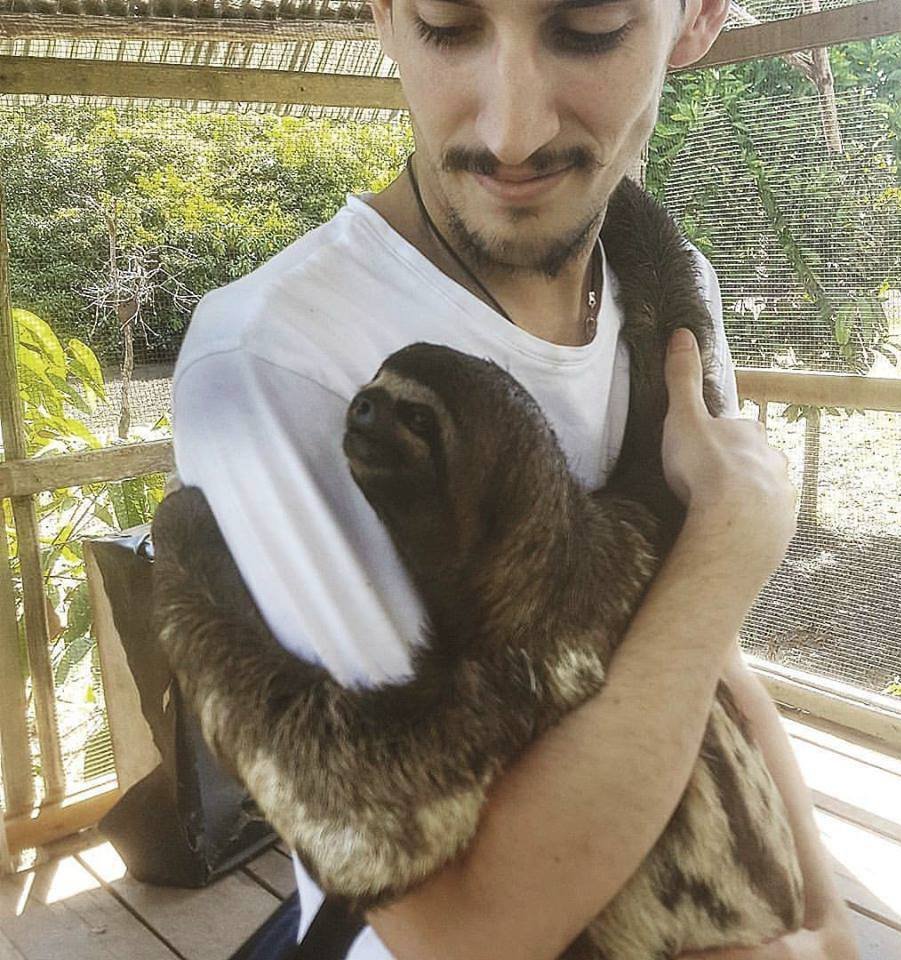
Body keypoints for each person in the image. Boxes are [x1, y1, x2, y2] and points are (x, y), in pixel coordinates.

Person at [171, 0, 860, 957]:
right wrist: (728, 545)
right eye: (449, 27)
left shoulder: (670, 313)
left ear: (697, 19)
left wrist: (825, 921)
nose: (512, 130)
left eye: (591, 29)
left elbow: (709, 655)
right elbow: (460, 934)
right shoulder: (269, 362)